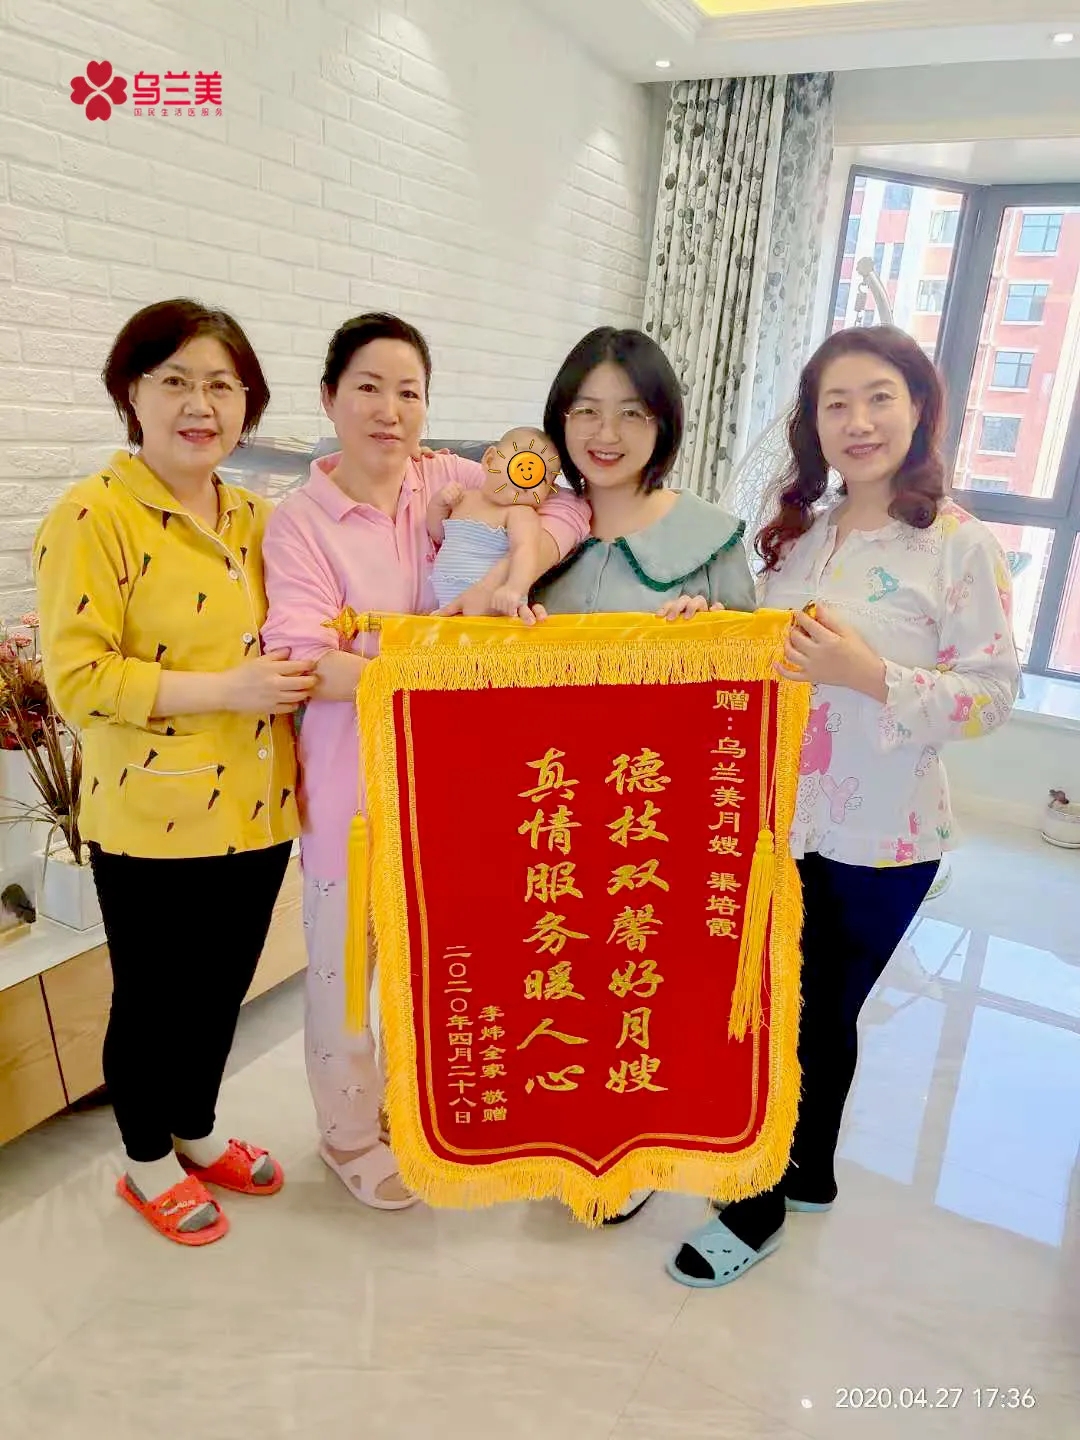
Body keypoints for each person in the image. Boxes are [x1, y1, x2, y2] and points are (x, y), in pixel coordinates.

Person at [668, 325, 1020, 1287]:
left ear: (919, 409)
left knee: (808, 1014)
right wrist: (715, 628)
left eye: (878, 398)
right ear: (814, 424)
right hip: (777, 820)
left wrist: (872, 675)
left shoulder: (959, 544)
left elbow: (992, 697)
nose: (858, 422)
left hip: (882, 837)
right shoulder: (803, 535)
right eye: (836, 404)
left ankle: (754, 1205)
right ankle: (809, 1171)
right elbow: (770, 657)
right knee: (798, 1010)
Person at [261, 313, 590, 1209]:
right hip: (352, 793)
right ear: (329, 398)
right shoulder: (299, 525)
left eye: (409, 392)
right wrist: (435, 661)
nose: (390, 410)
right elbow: (304, 662)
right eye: (368, 387)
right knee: (344, 975)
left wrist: (507, 572)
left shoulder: (447, 478)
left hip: (454, 789)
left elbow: (566, 503)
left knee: (436, 965)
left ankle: (411, 1110)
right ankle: (346, 1136)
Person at [35, 299, 314, 1247]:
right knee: (153, 1000)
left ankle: (195, 1127)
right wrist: (230, 688)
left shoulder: (259, 518)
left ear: (248, 405)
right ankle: (145, 1157)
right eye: (177, 382)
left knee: (219, 987)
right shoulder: (92, 515)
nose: (202, 405)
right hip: (151, 812)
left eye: (223, 386)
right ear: (133, 393)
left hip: (259, 805)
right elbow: (78, 680)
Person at [530, 325, 757, 1224]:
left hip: (656, 815)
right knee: (559, 966)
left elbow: (753, 692)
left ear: (664, 423)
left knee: (641, 979)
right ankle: (560, 1125)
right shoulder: (536, 529)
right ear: (559, 419)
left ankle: (633, 1146)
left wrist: (714, 638)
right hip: (548, 805)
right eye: (585, 410)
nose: (606, 433)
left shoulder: (708, 538)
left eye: (631, 412)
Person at [429, 425, 564, 616]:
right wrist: (439, 504)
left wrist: (514, 588)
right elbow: (437, 534)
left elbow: (525, 551)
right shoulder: (464, 499)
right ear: (490, 460)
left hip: (496, 605)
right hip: (447, 607)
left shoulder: (520, 513)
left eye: (543, 480)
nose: (528, 479)